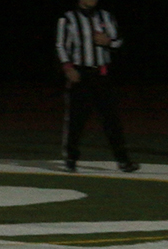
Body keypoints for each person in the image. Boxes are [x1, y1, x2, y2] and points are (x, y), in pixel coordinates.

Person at [55, 0, 139, 173]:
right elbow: (61, 45)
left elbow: (118, 41)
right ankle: (71, 158)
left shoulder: (105, 16)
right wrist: (68, 67)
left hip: (101, 74)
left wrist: (107, 41)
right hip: (80, 74)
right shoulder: (68, 18)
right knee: (76, 119)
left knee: (111, 119)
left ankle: (123, 160)